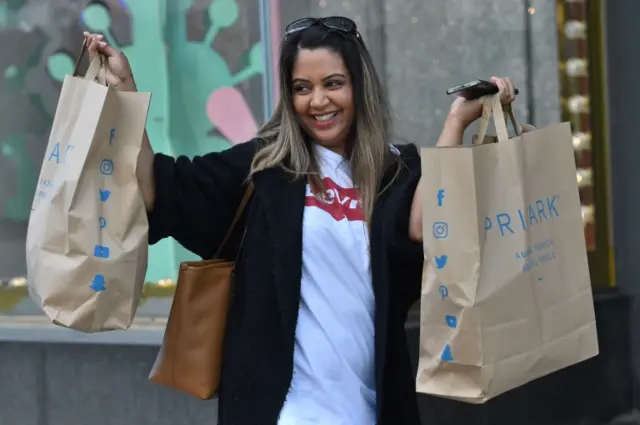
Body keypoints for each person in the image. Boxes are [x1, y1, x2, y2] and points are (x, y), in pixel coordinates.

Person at [84, 15, 516, 425]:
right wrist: (125, 90)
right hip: (286, 410)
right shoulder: (263, 170)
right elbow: (158, 188)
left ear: (359, 87)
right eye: (302, 88)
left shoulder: (396, 171)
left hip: (372, 407)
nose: (319, 101)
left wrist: (458, 121)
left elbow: (424, 228)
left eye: (333, 84)